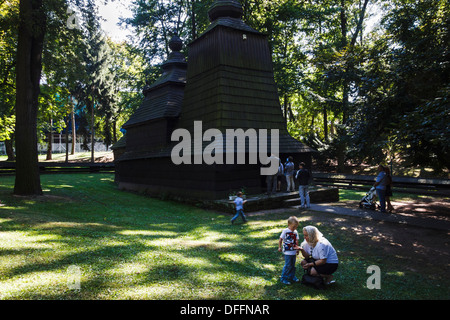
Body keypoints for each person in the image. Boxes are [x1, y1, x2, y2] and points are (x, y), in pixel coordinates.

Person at [278, 216, 300, 285]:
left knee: (293, 265)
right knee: (288, 265)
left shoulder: (295, 232)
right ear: (289, 225)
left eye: (296, 227)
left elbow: (297, 240)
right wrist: (279, 247)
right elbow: (280, 239)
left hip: (293, 251)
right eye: (293, 227)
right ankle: (283, 278)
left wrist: (297, 249)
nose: (294, 228)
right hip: (287, 251)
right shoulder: (285, 231)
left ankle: (292, 276)